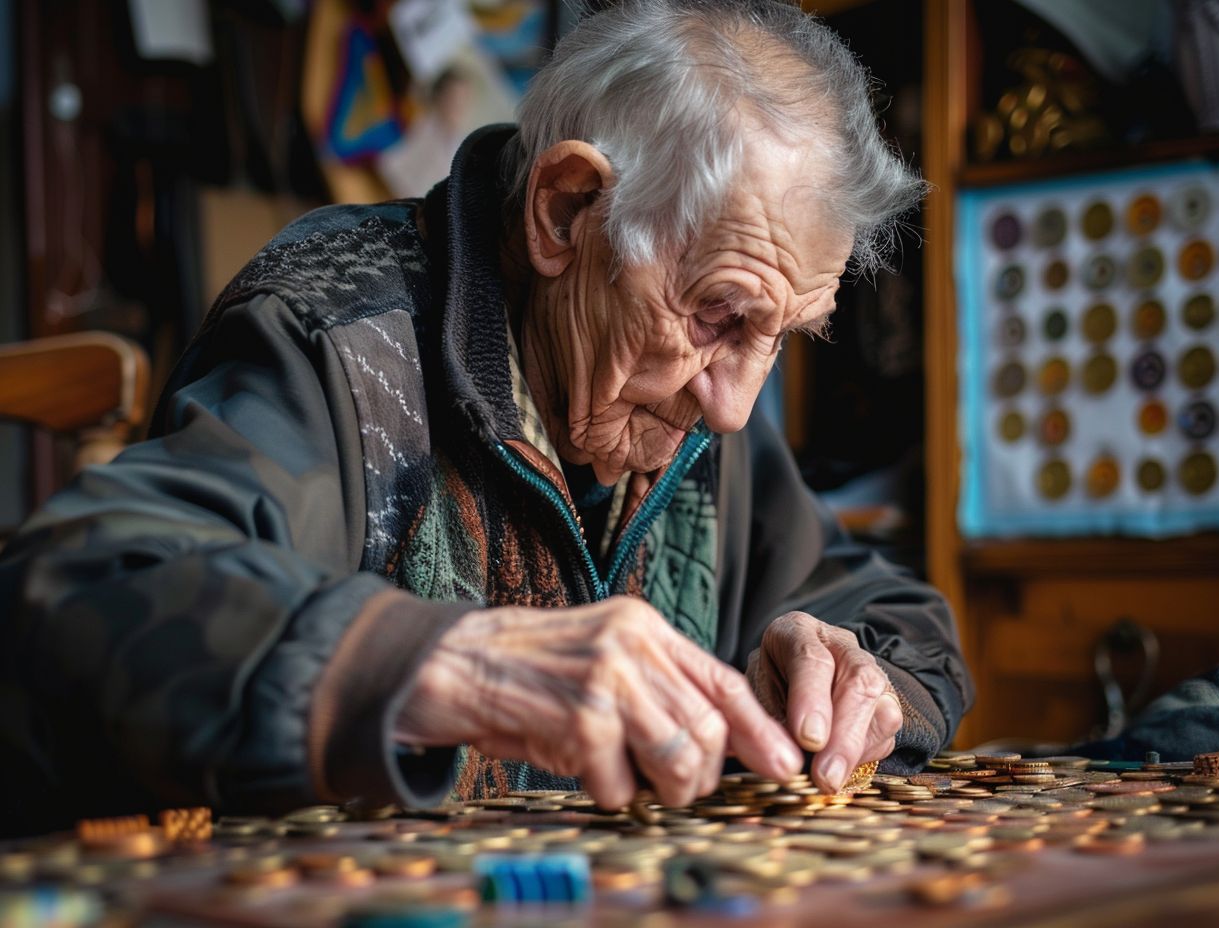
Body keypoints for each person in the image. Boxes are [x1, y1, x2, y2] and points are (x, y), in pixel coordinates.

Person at [0, 0, 971, 836]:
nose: (736, 403)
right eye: (719, 315)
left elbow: (895, 618)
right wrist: (444, 663)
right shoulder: (336, 334)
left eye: (783, 335)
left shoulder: (691, 390)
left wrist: (854, 681)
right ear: (562, 210)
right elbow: (74, 595)